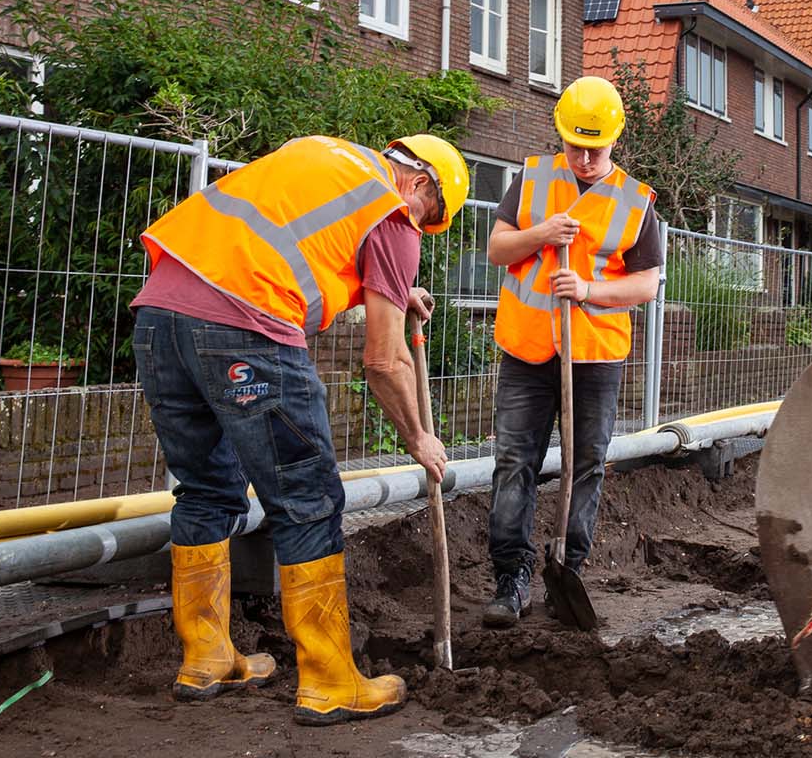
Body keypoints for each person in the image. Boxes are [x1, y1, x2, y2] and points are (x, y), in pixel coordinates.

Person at [131, 133, 468, 725]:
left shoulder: (326, 154)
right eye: (428, 216)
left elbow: (295, 241)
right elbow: (384, 361)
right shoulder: (391, 209)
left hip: (160, 316)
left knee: (206, 488)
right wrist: (419, 436)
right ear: (418, 184)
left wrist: (391, 287)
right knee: (307, 497)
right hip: (244, 326)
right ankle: (331, 679)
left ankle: (206, 658)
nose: (419, 227)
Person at [482, 76, 661, 627]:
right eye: (573, 145)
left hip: (595, 357)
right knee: (515, 463)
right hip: (527, 351)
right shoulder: (533, 179)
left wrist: (586, 291)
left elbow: (647, 285)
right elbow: (495, 249)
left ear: (615, 140)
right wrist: (540, 233)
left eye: (595, 148)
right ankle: (512, 577)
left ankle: (569, 568)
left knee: (586, 466)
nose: (582, 157)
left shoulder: (637, 201)